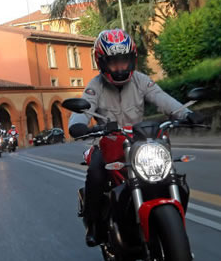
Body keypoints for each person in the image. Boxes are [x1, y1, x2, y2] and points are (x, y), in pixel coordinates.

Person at [68, 29, 203, 247]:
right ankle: (94, 225)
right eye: (114, 62)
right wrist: (77, 125)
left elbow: (162, 98)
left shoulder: (141, 80)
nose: (120, 67)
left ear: (132, 59)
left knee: (169, 173)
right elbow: (84, 107)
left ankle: (170, 227)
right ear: (101, 62)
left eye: (124, 60)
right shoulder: (96, 86)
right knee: (96, 173)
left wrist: (186, 114)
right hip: (108, 143)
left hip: (139, 141)